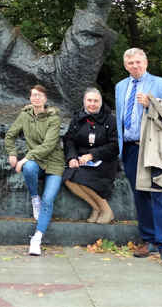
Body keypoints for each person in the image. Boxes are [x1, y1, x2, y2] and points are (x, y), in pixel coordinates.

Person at [115, 48, 162, 269]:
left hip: (154, 148)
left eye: (138, 62)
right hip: (131, 149)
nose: (134, 66)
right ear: (125, 66)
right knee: (140, 196)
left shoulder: (160, 84)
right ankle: (150, 240)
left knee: (160, 194)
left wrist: (151, 103)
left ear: (146, 63)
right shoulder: (120, 86)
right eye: (130, 63)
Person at [5, 85, 65, 256]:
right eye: (34, 95)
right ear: (30, 98)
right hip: (36, 162)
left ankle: (37, 238)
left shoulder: (53, 118)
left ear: (45, 99)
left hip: (54, 163)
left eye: (40, 95)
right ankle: (34, 198)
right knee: (29, 168)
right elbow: (10, 135)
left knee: (48, 199)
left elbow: (49, 144)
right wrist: (12, 153)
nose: (37, 98)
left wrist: (25, 158)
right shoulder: (25, 116)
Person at [62, 87, 119, 224]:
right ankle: (96, 208)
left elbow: (115, 145)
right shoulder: (77, 118)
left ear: (101, 102)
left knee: (82, 177)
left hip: (104, 161)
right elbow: (69, 140)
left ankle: (106, 210)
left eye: (96, 101)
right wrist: (72, 157)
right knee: (68, 177)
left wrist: (92, 155)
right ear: (84, 101)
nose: (92, 104)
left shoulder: (110, 120)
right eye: (89, 100)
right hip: (81, 161)